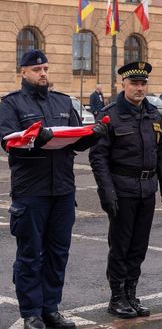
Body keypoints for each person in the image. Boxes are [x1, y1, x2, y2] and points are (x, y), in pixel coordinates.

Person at [0, 50, 107, 329]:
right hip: (30, 193)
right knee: (30, 255)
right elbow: (8, 143)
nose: (43, 73)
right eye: (37, 70)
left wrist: (92, 136)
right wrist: (35, 139)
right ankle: (31, 312)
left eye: (46, 68)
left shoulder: (62, 102)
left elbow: (74, 141)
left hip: (62, 191)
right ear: (23, 72)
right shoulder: (11, 105)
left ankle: (51, 308)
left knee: (58, 253)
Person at [89, 62, 162, 319]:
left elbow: (160, 151)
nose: (139, 88)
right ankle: (117, 297)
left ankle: (131, 293)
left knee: (139, 246)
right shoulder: (109, 115)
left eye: (142, 83)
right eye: (134, 83)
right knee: (120, 246)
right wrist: (107, 192)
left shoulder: (152, 114)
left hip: (146, 190)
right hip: (122, 190)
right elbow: (98, 158)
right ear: (123, 85)